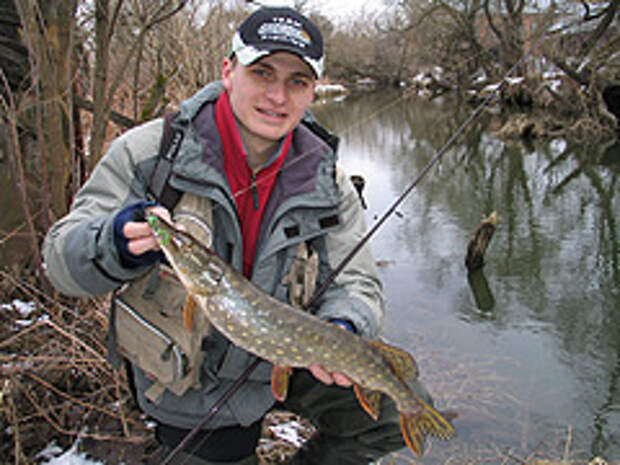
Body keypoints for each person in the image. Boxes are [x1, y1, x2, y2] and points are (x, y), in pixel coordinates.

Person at [43, 6, 433, 464]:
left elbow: (359, 285)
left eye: (298, 81)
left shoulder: (329, 181)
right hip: (195, 381)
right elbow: (59, 264)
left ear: (313, 92)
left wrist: (345, 326)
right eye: (262, 71)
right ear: (229, 71)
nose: (277, 95)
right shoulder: (150, 154)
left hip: (293, 354)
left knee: (389, 415)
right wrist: (112, 244)